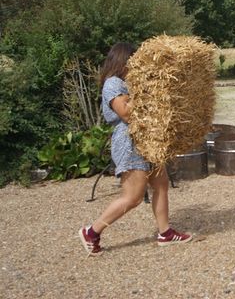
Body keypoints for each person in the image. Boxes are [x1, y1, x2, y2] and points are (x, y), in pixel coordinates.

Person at [79, 42, 191, 256]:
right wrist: (148, 97)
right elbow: (127, 114)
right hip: (130, 142)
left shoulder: (130, 82)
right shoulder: (113, 83)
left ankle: (165, 233)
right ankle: (91, 232)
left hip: (148, 140)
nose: (137, 64)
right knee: (133, 197)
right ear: (123, 60)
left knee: (161, 184)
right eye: (134, 59)